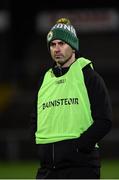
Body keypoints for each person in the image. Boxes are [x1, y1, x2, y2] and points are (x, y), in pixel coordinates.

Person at [30, 18, 112, 179]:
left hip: (81, 167)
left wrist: (79, 147)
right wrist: (42, 147)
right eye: (52, 45)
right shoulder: (44, 80)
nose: (56, 49)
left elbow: (105, 120)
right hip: (47, 169)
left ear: (73, 46)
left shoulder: (89, 76)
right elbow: (35, 118)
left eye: (62, 43)